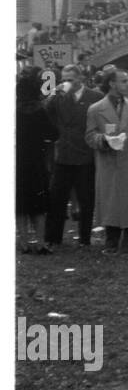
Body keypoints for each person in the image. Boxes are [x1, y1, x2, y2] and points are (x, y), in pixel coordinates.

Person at [85, 67, 128, 254]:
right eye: (123, 80)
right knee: (111, 202)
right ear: (112, 83)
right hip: (110, 162)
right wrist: (105, 141)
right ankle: (111, 241)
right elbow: (90, 136)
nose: (127, 84)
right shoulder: (96, 109)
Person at [43, 64, 102, 249]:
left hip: (85, 154)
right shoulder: (58, 97)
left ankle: (84, 237)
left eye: (70, 79)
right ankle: (53, 237)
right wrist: (53, 95)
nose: (66, 83)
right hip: (63, 153)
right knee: (57, 197)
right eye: (64, 79)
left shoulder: (95, 97)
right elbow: (45, 113)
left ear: (81, 78)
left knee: (86, 198)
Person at [17, 68, 57, 253]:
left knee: (20, 204)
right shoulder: (39, 111)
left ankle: (23, 241)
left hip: (17, 160)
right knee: (39, 204)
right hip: (36, 159)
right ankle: (40, 242)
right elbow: (53, 133)